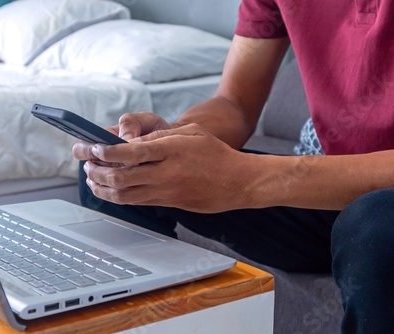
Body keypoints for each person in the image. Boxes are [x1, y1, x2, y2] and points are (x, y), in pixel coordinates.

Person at [72, 1, 394, 333]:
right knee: (127, 178)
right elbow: (235, 103)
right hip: (327, 192)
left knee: (377, 225)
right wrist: (172, 139)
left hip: (379, 211)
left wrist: (249, 179)